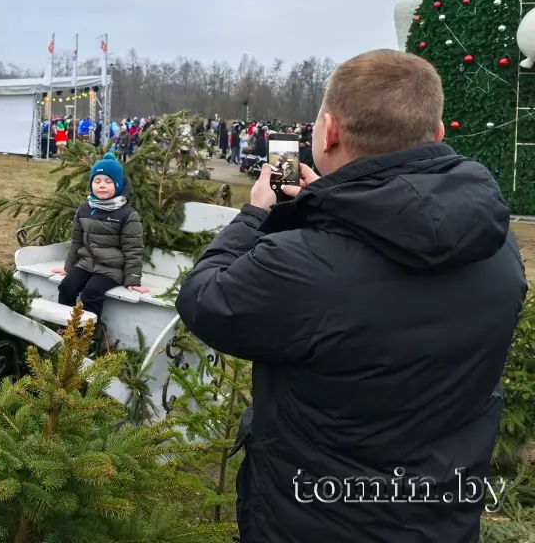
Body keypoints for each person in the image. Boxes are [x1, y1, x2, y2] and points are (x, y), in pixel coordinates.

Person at [175, 49, 527, 543]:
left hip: (316, 518)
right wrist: (338, 201)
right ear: (439, 133)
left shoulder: (305, 264)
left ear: (329, 131)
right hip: (439, 515)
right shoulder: (495, 243)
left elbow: (205, 299)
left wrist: (254, 216)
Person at [52, 152, 149, 319]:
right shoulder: (84, 209)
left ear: (117, 185)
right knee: (67, 286)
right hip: (86, 263)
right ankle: (65, 328)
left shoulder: (127, 214)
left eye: (108, 181)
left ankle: (87, 337)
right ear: (91, 184)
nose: (102, 185)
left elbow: (133, 249)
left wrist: (132, 279)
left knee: (91, 293)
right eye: (97, 181)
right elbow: (76, 241)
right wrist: (69, 267)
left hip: (111, 269)